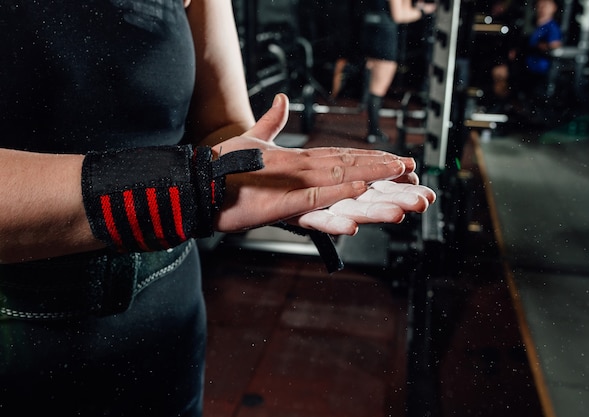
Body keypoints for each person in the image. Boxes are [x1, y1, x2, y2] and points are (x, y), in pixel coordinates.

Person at [0, 1, 436, 416]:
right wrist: (190, 187)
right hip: (17, 339)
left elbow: (222, 123)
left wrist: (259, 171)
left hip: (165, 314)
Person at [361, 0, 437, 143]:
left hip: (370, 30)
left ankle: (373, 130)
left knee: (373, 84)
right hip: (384, 35)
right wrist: (424, 10)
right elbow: (399, 15)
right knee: (378, 88)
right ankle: (373, 132)